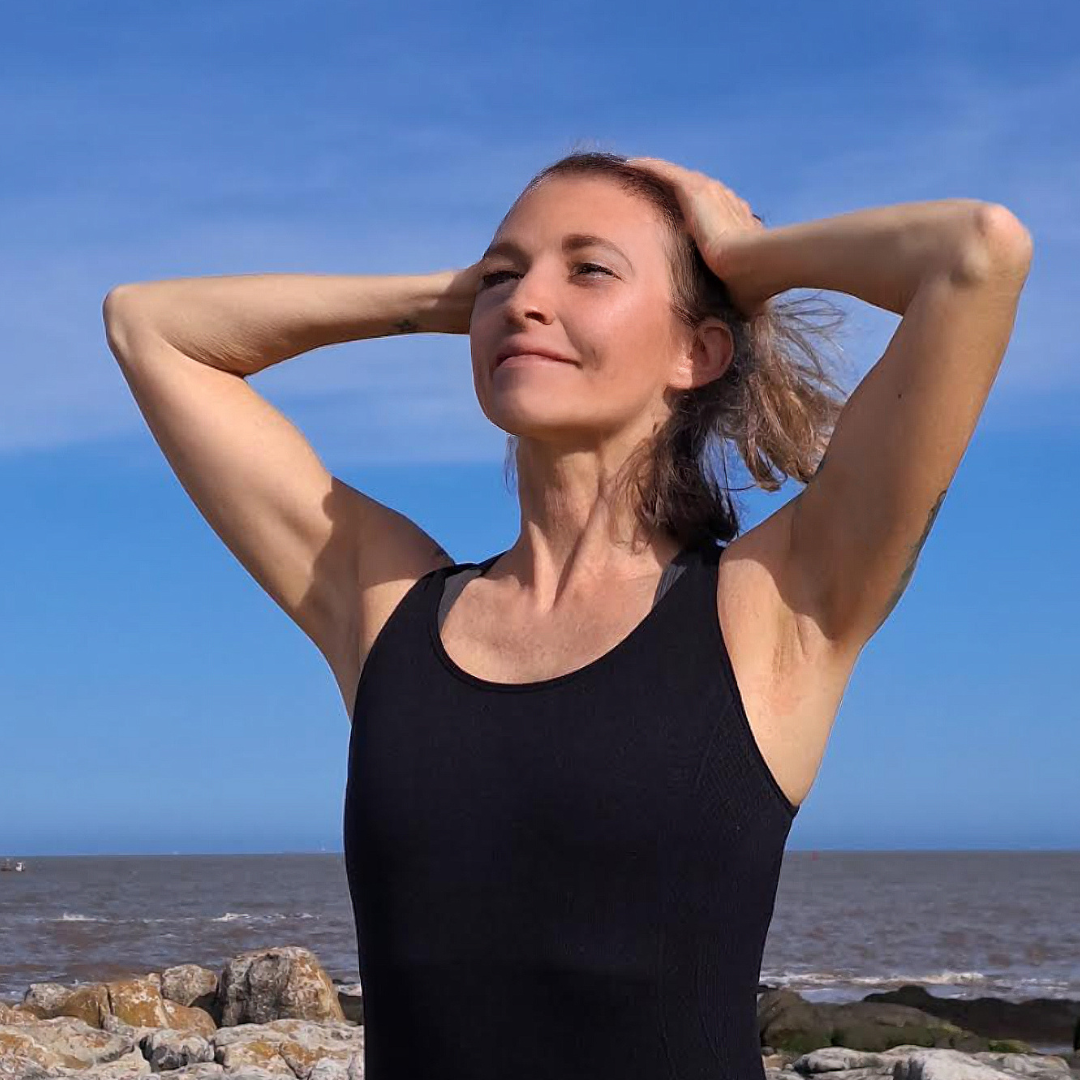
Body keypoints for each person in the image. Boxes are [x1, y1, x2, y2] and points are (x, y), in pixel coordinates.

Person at [102, 150, 1033, 1078]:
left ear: (697, 351)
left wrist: (742, 255)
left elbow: (976, 253)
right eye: (503, 274)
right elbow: (149, 326)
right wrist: (453, 298)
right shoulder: (386, 609)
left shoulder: (778, 604)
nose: (526, 300)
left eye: (588, 269)